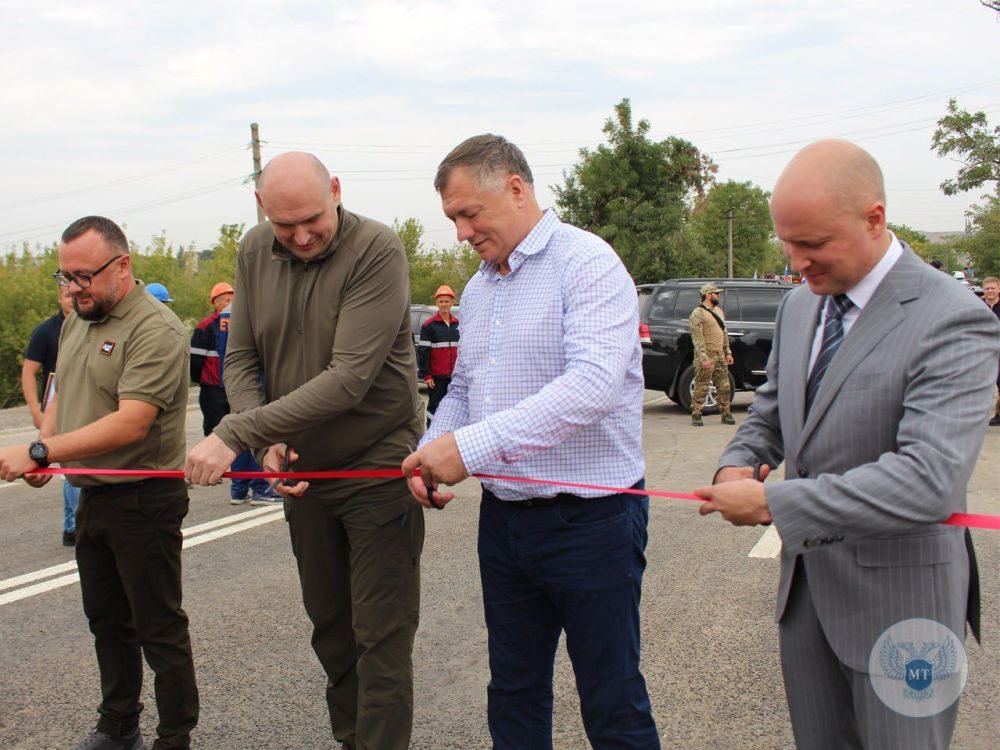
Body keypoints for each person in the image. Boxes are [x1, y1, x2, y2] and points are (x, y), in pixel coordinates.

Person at [695, 140, 999, 750]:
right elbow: (773, 417)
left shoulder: (953, 317)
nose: (796, 261)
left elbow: (927, 478)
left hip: (904, 607)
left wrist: (776, 505)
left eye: (812, 244)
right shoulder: (801, 306)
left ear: (874, 219)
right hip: (808, 602)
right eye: (787, 242)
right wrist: (737, 464)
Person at [401, 134, 660, 750]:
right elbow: (463, 389)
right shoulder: (480, 288)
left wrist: (470, 451)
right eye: (453, 219)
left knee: (611, 695)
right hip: (508, 522)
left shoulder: (588, 263)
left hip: (593, 519)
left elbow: (593, 385)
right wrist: (434, 447)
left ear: (516, 188)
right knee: (513, 689)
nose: (462, 232)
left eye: (470, 213)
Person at [184, 152, 423, 750]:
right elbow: (240, 359)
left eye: (313, 218)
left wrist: (236, 434)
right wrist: (266, 437)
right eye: (285, 225)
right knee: (332, 630)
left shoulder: (377, 249)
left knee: (380, 633)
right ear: (263, 209)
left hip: (375, 467)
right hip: (302, 473)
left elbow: (349, 378)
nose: (301, 235)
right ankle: (353, 739)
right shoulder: (253, 250)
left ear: (337, 190)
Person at [0, 216, 198, 750]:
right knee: (107, 621)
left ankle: (174, 736)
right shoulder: (76, 321)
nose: (73, 289)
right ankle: (118, 726)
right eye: (65, 277)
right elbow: (61, 395)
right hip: (93, 495)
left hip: (144, 498)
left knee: (158, 627)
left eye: (84, 276)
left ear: (122, 265)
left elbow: (130, 422)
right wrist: (45, 450)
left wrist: (41, 451)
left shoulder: (155, 328)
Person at [21, 284, 82, 545]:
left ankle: (74, 525)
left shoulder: (90, 325)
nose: (72, 299)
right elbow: (28, 372)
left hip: (83, 406)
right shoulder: (46, 331)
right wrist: (37, 411)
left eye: (74, 294)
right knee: (69, 467)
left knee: (77, 465)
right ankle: (73, 525)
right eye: (67, 295)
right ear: (59, 297)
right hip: (56, 409)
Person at [214, 297, 278, 504]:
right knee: (254, 428)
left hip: (233, 379)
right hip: (253, 378)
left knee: (241, 431)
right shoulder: (253, 305)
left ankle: (239, 488)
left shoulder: (227, 312)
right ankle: (261, 487)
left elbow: (224, 349)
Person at [190, 282, 234, 437]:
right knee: (214, 432)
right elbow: (195, 361)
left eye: (233, 299)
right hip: (213, 391)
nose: (232, 304)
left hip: (233, 387)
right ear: (216, 302)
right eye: (227, 300)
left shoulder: (240, 324)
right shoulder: (205, 327)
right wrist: (203, 381)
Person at [688, 281, 734, 426]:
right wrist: (703, 357)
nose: (718, 295)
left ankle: (726, 414)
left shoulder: (719, 312)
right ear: (708, 295)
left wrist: (728, 352)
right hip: (706, 354)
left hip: (720, 354)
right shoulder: (698, 313)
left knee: (724, 386)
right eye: (716, 293)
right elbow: (697, 337)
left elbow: (724, 333)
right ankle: (696, 413)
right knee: (702, 385)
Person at [417, 284, 460, 425]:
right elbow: (423, 353)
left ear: (452, 303)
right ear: (436, 303)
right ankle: (431, 437)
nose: (444, 304)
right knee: (434, 408)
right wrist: (427, 375)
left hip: (455, 377)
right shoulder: (428, 326)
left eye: (447, 301)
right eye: (441, 301)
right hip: (436, 378)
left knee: (455, 409)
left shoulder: (458, 325)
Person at [983, 275, 1000, 426]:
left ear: (998, 289)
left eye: (993, 288)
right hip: (984, 351)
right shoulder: (978, 306)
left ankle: (997, 414)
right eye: (987, 288)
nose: (990, 291)